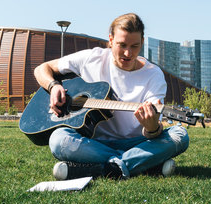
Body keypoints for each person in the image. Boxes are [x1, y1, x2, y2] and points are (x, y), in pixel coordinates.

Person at [33, 13, 189, 180]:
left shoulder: (153, 75)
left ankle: (101, 168)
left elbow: (153, 130)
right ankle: (142, 165)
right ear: (111, 40)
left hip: (138, 143)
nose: (128, 53)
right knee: (58, 139)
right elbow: (42, 69)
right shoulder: (91, 58)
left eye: (135, 46)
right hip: (93, 143)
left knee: (179, 135)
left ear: (142, 42)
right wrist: (54, 86)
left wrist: (152, 128)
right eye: (122, 45)